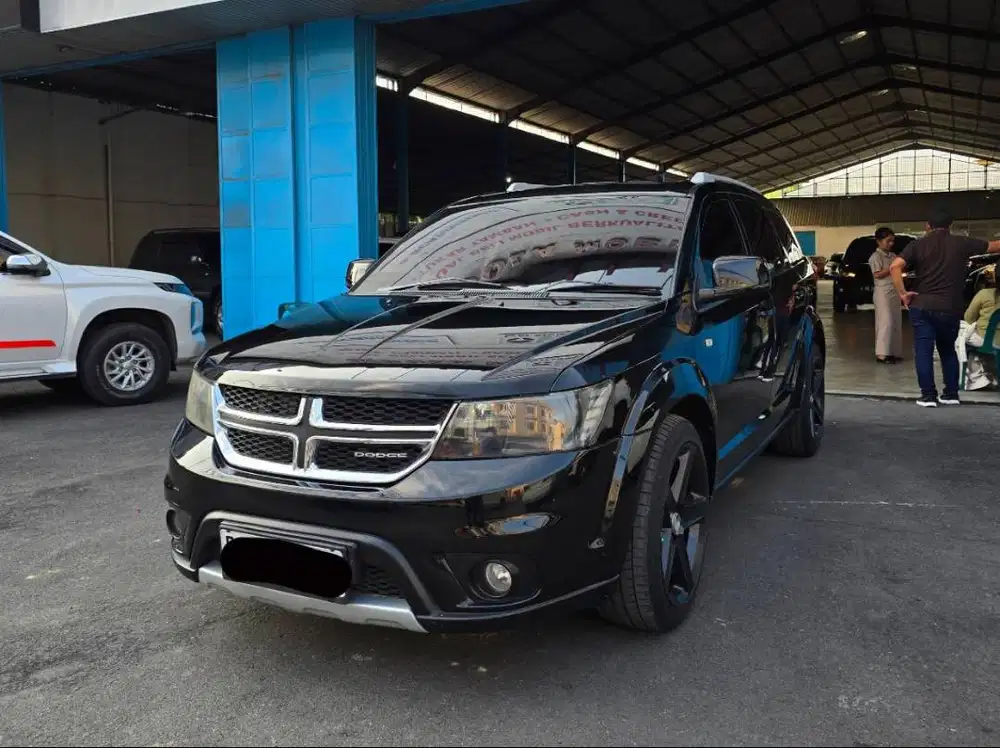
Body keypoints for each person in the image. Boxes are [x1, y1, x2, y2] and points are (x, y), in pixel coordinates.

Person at [890, 209, 1000, 406]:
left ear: (927, 226)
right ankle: (950, 394)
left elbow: (894, 267)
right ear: (951, 226)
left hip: (922, 305)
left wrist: (903, 293)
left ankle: (928, 396)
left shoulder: (917, 245)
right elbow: (994, 246)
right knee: (948, 350)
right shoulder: (962, 242)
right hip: (950, 307)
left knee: (923, 351)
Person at [868, 227, 902, 363]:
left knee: (895, 321)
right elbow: (877, 274)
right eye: (888, 241)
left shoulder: (893, 256)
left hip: (894, 291)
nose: (891, 244)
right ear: (879, 241)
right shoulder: (875, 257)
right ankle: (882, 353)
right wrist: (891, 268)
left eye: (892, 241)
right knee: (885, 322)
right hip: (882, 292)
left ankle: (894, 352)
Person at [962, 265, 999, 389]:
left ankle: (976, 377)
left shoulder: (984, 294)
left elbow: (968, 317)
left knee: (962, 338)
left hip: (987, 340)